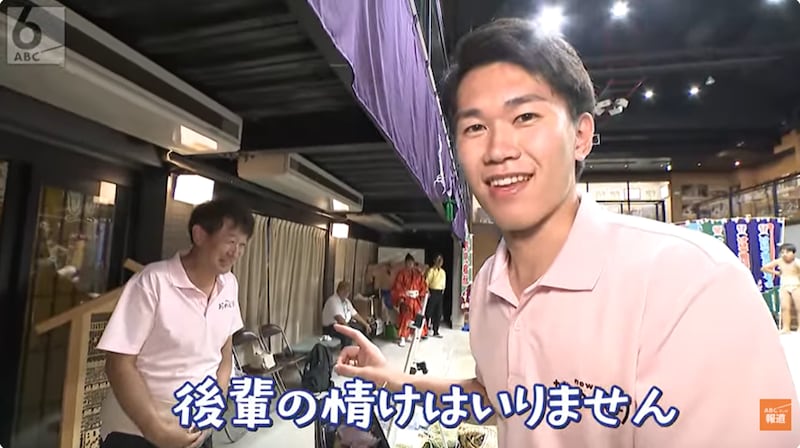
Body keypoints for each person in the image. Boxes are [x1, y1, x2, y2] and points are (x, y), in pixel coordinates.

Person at [332, 18, 799, 448]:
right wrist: (394, 380)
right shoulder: (490, 286)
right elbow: (499, 400)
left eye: (525, 117)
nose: (498, 149)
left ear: (580, 136)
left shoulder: (690, 283)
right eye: (475, 126)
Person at [97, 198, 254, 448]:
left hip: (197, 429)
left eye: (243, 245)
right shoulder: (153, 282)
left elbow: (224, 356)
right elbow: (119, 364)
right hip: (137, 433)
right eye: (231, 241)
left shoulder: (229, 285)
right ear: (199, 235)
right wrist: (155, 429)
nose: (236, 252)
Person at [391, 253, 429, 346]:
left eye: (411, 263)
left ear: (413, 263)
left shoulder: (418, 274)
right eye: (408, 263)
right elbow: (397, 287)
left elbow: (423, 287)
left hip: (416, 300)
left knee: (419, 315)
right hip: (406, 299)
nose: (410, 265)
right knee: (405, 317)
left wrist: (419, 293)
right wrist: (404, 294)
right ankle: (403, 337)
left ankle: (416, 334)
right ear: (405, 263)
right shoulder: (401, 273)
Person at [762, 243, 800, 333]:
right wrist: (777, 273)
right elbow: (764, 268)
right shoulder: (779, 261)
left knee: (799, 307)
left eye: (787, 252)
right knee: (785, 307)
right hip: (784, 286)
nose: (784, 254)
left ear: (793, 253)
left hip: (796, 285)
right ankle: (786, 328)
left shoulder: (797, 262)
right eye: (782, 252)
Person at [322, 281, 373, 347]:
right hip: (331, 327)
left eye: (348, 291)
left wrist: (365, 324)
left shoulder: (346, 301)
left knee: (362, 328)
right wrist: (350, 330)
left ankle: (366, 347)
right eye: (344, 290)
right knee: (347, 335)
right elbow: (339, 319)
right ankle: (347, 351)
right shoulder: (333, 300)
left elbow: (355, 314)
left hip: (344, 324)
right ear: (339, 290)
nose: (346, 293)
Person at [424, 254, 447, 338]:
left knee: (438, 313)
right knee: (428, 312)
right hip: (432, 292)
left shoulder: (443, 272)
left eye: (441, 260)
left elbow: (443, 284)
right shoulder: (431, 270)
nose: (440, 262)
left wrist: (442, 291)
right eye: (438, 260)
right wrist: (427, 291)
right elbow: (426, 282)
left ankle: (436, 331)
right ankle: (425, 331)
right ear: (434, 261)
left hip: (440, 293)